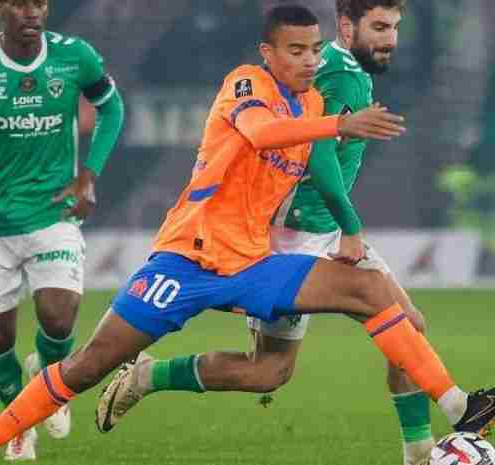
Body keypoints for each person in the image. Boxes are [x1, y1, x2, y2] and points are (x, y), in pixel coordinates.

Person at [0, 6, 495, 465]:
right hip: (186, 259)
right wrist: (340, 123)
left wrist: (346, 213)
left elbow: (317, 159)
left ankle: (460, 409)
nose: (308, 60)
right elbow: (260, 133)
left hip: (253, 263)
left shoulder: (314, 102)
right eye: (295, 50)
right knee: (87, 366)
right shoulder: (246, 83)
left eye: (314, 50)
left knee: (370, 291)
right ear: (268, 53)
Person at [96, 2, 440, 464]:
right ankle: (148, 376)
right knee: (268, 372)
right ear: (346, 26)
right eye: (380, 27)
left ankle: (421, 452)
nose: (390, 38)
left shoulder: (349, 71)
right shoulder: (331, 74)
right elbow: (317, 157)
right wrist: (350, 225)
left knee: (408, 326)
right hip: (295, 235)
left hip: (326, 229)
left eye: (395, 27)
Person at [0, 0, 124, 460]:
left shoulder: (75, 56)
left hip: (53, 215)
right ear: (0, 8)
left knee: (59, 317)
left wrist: (89, 174)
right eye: (19, 3)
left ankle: (46, 389)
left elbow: (112, 109)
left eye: (39, 3)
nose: (32, 12)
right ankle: (19, 418)